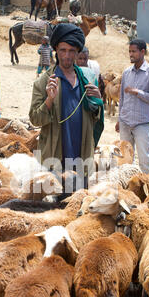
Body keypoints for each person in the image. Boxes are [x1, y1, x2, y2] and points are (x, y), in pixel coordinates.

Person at [29, 23, 104, 183]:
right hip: (54, 153)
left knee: (78, 198)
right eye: (63, 50)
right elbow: (35, 119)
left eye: (72, 51)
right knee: (52, 199)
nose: (67, 56)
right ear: (56, 50)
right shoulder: (43, 82)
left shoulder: (88, 78)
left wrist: (98, 101)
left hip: (81, 152)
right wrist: (49, 99)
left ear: (77, 52)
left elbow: (95, 115)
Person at [116, 39, 149, 174]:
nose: (131, 54)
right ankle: (128, 187)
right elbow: (122, 98)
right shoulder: (126, 73)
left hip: (141, 122)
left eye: (133, 51)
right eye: (129, 51)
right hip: (125, 121)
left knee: (144, 160)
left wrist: (138, 92)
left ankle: (147, 190)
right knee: (125, 158)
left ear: (142, 52)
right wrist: (119, 119)